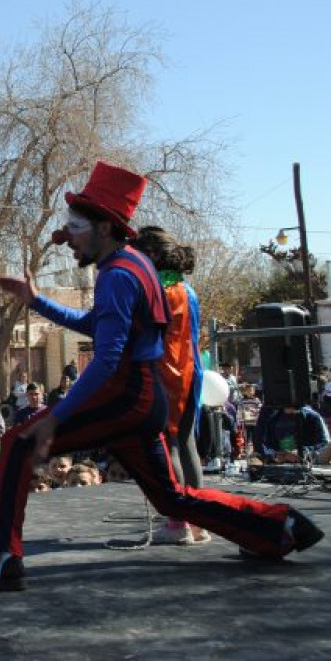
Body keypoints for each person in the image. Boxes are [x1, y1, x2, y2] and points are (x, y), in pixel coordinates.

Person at [0, 160, 323, 592]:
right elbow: (100, 326)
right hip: (143, 399)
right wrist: (38, 301)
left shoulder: (117, 275)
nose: (68, 237)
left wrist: (55, 417)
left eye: (76, 225)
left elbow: (105, 358)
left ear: (105, 227)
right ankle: (278, 527)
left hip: (126, 395)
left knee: (18, 443)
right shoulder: (133, 266)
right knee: (170, 497)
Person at [133, 226, 208, 546]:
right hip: (192, 374)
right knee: (187, 443)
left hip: (170, 375)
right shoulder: (185, 288)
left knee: (170, 445)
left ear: (151, 255)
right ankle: (199, 521)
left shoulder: (160, 290)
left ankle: (178, 522)